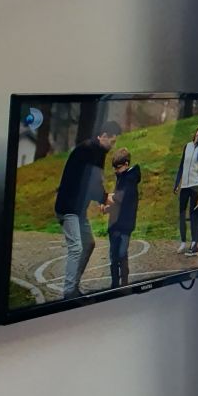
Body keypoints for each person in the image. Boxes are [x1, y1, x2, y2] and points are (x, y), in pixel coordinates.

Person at [54, 120, 121, 299]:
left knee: (88, 244)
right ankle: (69, 292)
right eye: (112, 141)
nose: (113, 146)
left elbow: (95, 181)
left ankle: (73, 286)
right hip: (67, 208)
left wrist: (102, 198)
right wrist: (105, 198)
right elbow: (90, 183)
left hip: (78, 210)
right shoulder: (88, 150)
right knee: (76, 247)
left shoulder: (98, 151)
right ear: (104, 136)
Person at [107, 148, 141, 288]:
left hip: (126, 224)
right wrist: (108, 207)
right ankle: (114, 284)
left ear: (126, 164)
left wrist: (107, 197)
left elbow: (121, 198)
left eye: (118, 167)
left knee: (122, 253)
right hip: (114, 223)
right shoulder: (121, 177)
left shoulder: (130, 179)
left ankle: (124, 283)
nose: (116, 170)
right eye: (114, 168)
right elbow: (117, 201)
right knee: (113, 255)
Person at [173, 124, 198, 253]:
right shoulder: (187, 146)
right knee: (182, 214)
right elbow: (182, 165)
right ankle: (183, 242)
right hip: (184, 186)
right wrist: (177, 183)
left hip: (194, 185)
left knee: (193, 214)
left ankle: (194, 241)